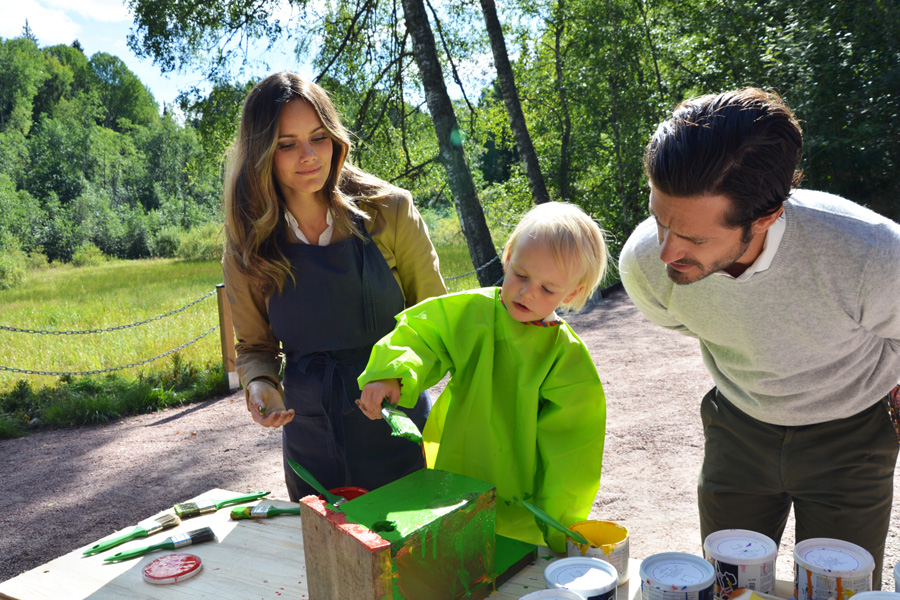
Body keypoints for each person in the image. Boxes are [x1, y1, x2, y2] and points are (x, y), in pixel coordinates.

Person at [619, 87, 900, 587]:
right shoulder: (644, 262)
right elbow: (680, 319)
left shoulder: (871, 254)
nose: (666, 253)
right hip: (737, 429)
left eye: (696, 239)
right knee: (730, 588)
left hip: (851, 439)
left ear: (768, 216)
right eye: (661, 220)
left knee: (841, 591)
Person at [222, 72, 447, 502]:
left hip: (400, 432)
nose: (308, 156)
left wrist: (401, 376)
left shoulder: (390, 211)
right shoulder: (247, 247)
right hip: (310, 446)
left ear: (336, 139)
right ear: (260, 152)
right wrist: (261, 385)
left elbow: (437, 323)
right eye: (287, 144)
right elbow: (254, 349)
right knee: (326, 566)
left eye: (319, 137)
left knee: (415, 563)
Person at [356, 201, 608, 551]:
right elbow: (422, 335)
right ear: (508, 257)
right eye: (520, 274)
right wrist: (391, 375)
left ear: (574, 293)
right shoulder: (474, 313)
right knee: (451, 559)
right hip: (457, 476)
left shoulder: (565, 358)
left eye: (547, 289)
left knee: (512, 570)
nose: (526, 292)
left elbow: (572, 453)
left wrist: (559, 528)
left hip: (521, 503)